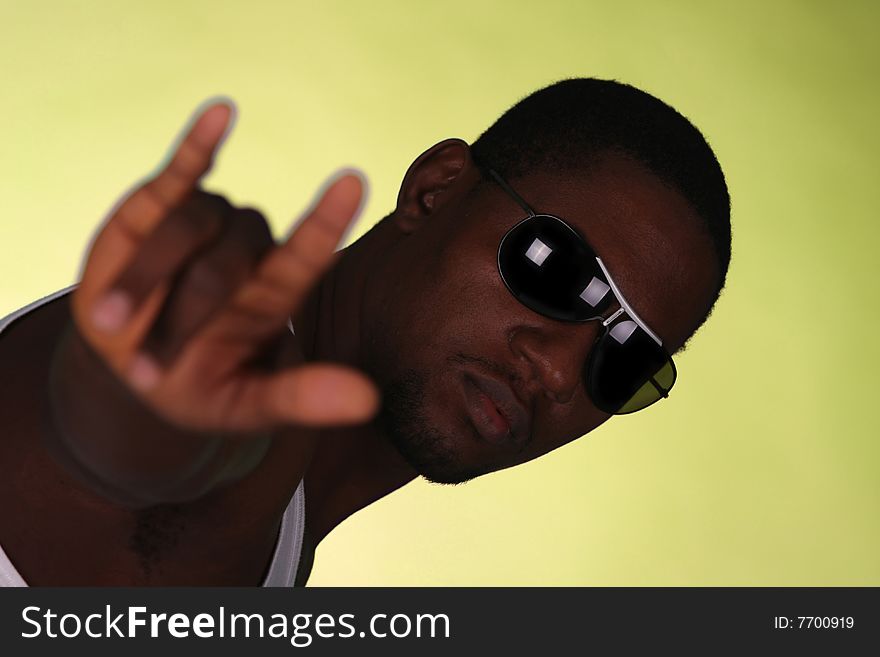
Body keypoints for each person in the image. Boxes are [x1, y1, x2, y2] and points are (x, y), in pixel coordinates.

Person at [0, 77, 730, 586]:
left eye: (627, 358)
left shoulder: (286, 532)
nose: (560, 370)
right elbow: (128, 450)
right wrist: (121, 416)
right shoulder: (239, 389)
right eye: (556, 270)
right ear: (435, 188)